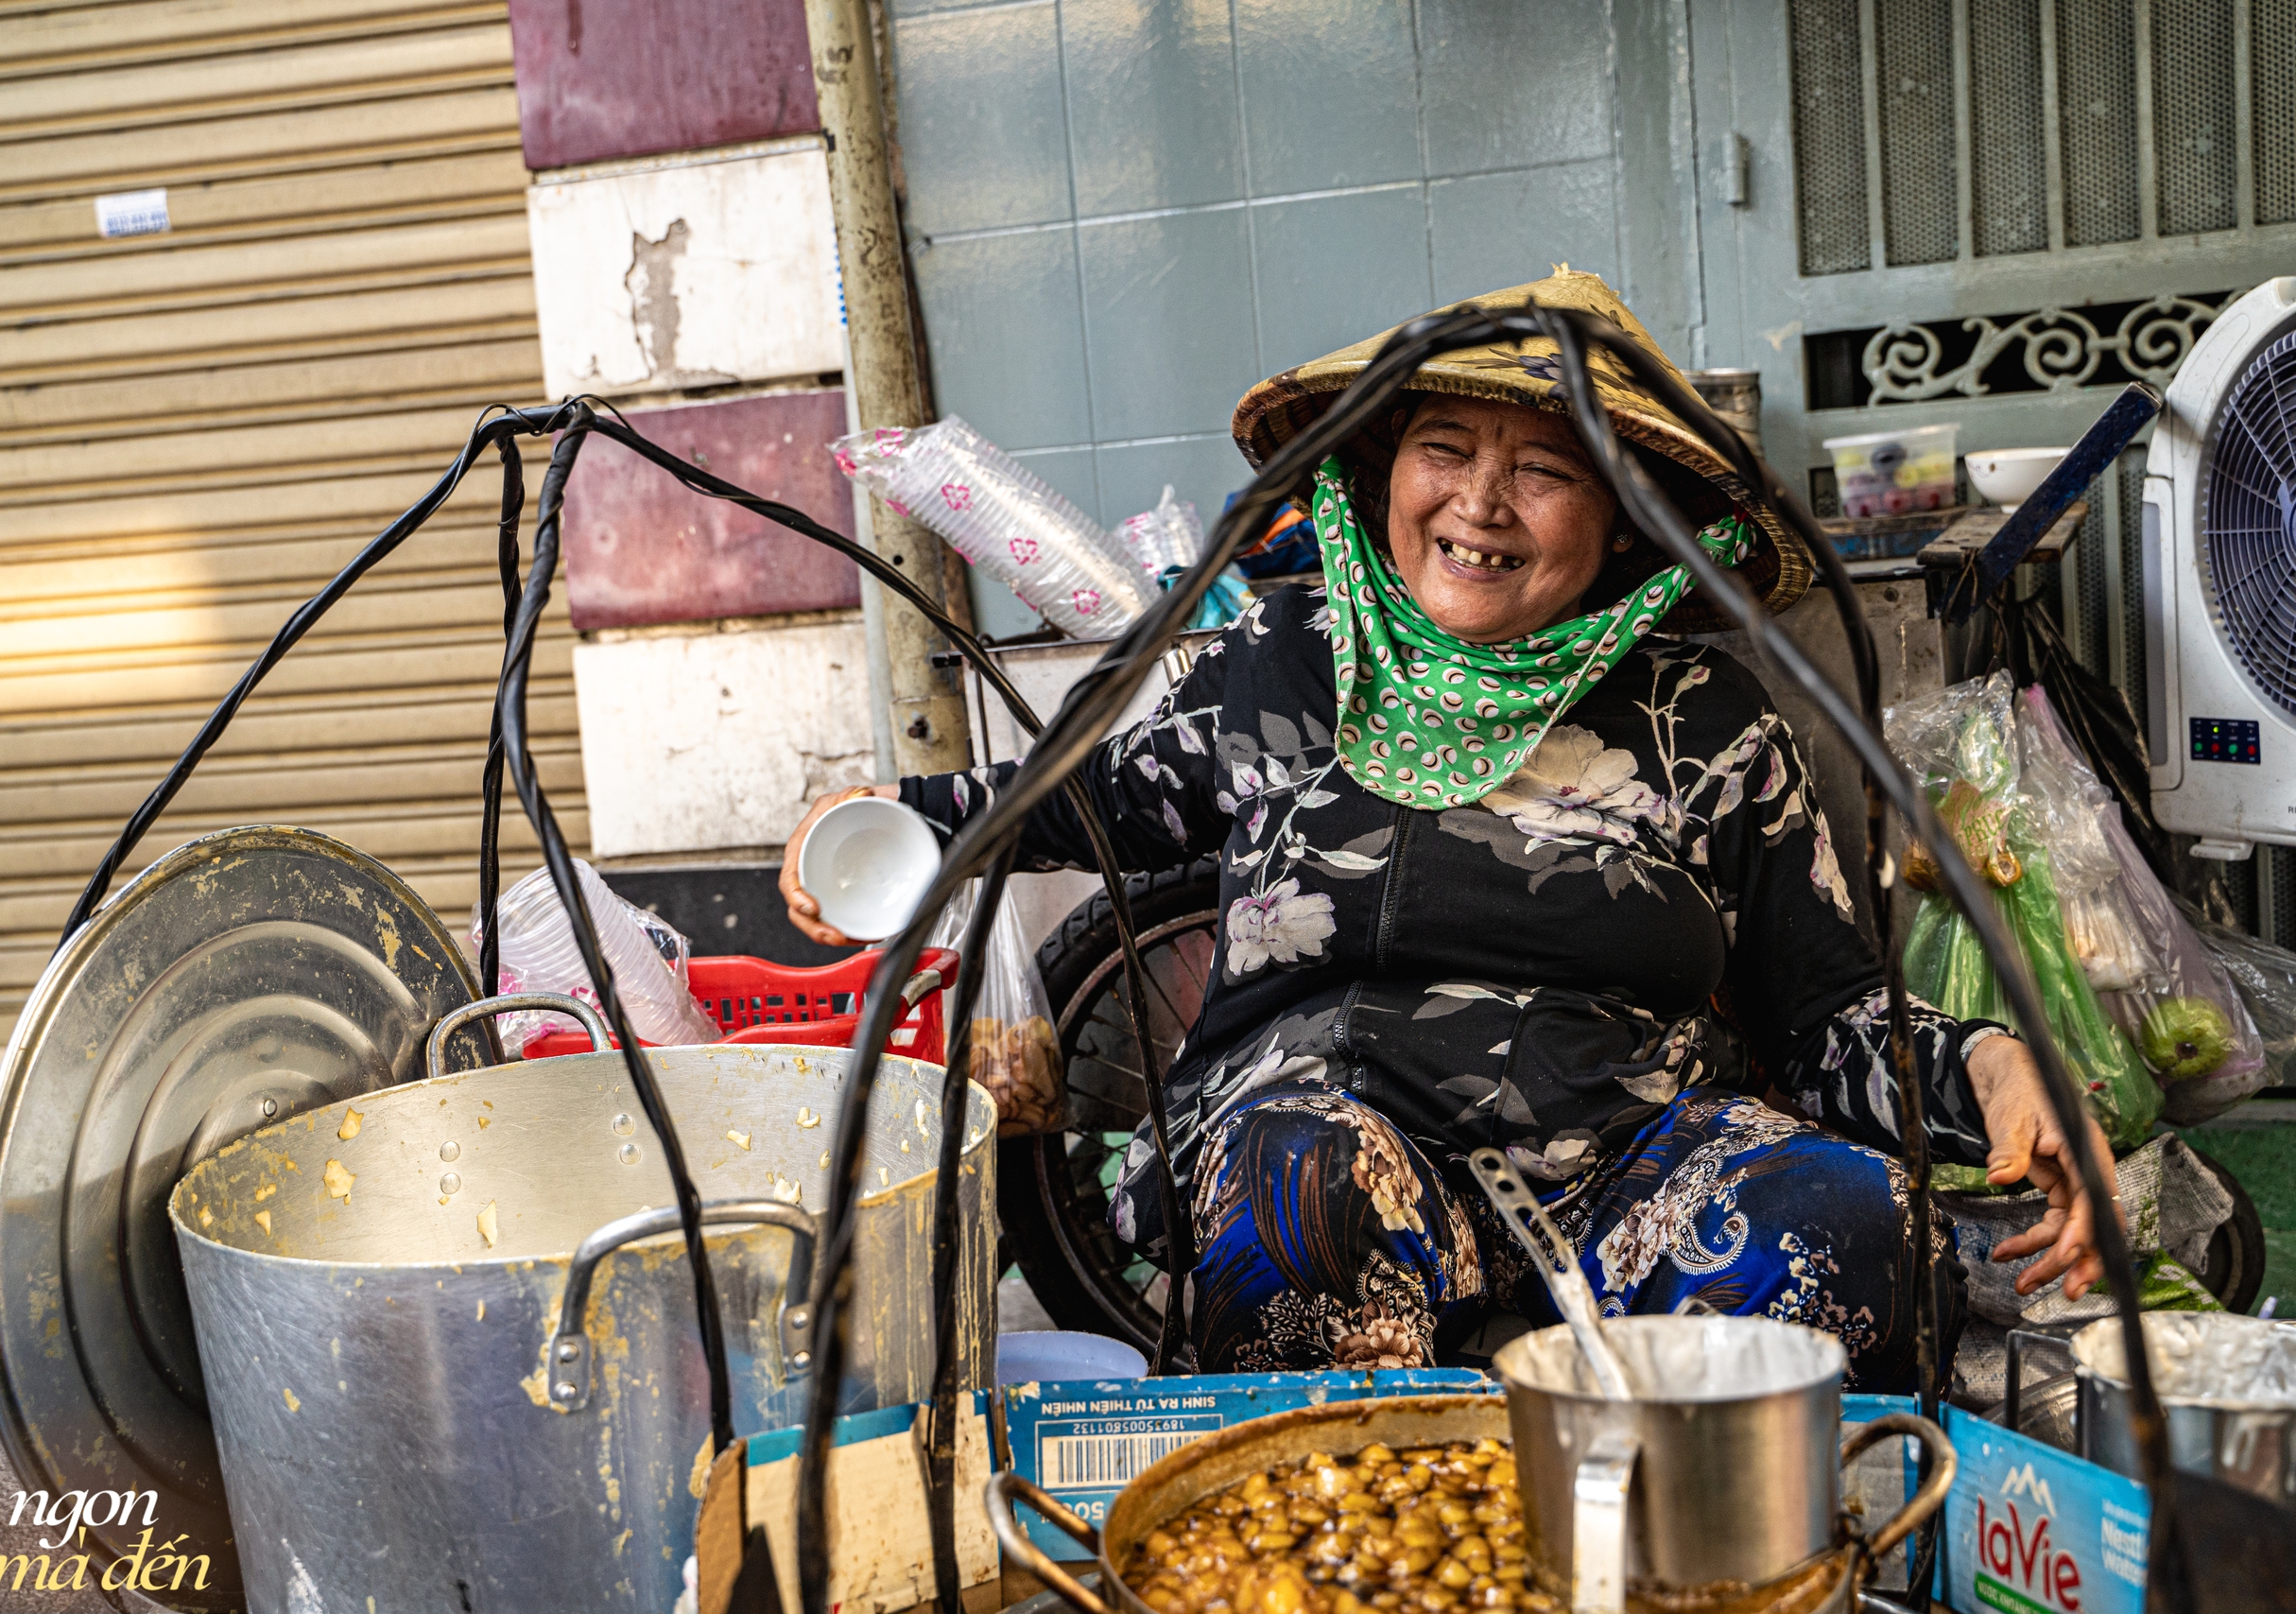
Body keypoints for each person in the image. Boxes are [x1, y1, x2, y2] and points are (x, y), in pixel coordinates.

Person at [781, 269, 2118, 1388]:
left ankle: (1656, 1540)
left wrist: (1996, 1066)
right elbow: (1100, 796)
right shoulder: (1292, 655)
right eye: (1443, 453)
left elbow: (1829, 1011)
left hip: (1619, 1157)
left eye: (1542, 471)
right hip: (1317, 1125)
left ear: (1627, 521)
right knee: (1304, 1184)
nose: (1479, 504)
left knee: (1856, 1218)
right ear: (1383, 474)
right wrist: (900, 820)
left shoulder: (1701, 711)